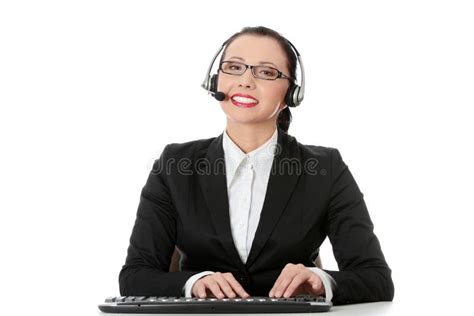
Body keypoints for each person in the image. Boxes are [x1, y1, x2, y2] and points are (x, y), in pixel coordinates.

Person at [118, 26, 394, 305]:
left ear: (291, 94)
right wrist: (194, 282)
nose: (246, 81)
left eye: (266, 72)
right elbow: (135, 276)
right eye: (234, 67)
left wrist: (321, 281)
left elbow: (376, 279)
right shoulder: (174, 165)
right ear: (216, 81)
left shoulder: (325, 168)